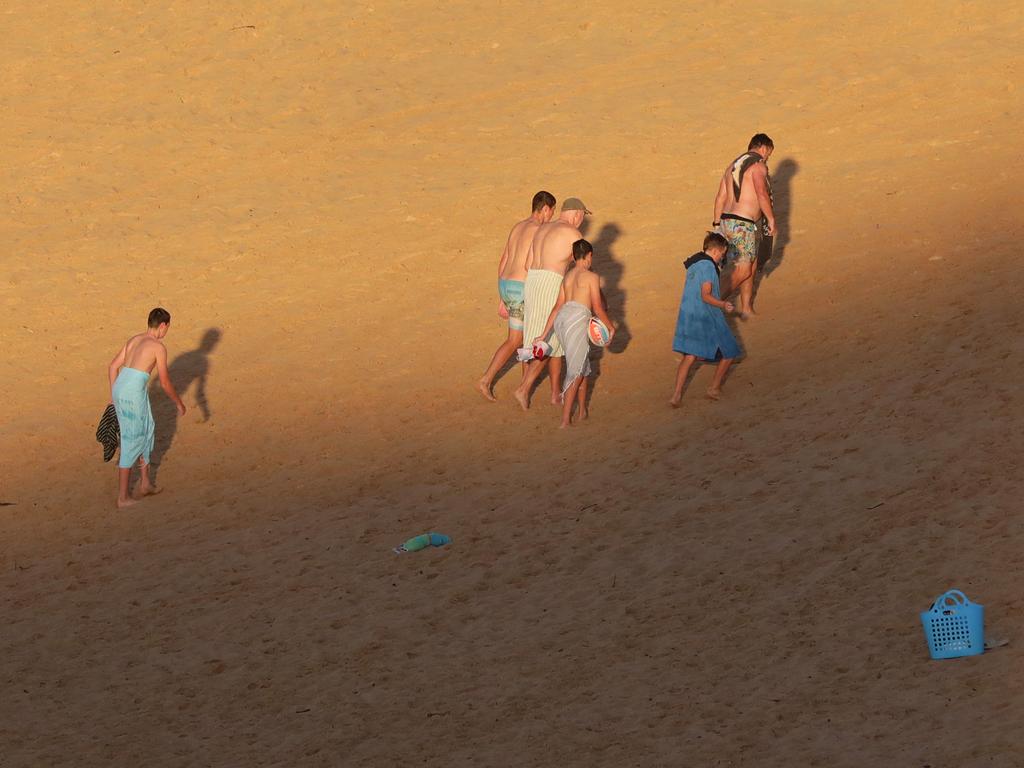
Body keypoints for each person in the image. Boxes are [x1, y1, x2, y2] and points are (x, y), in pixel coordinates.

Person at [476, 191, 556, 401]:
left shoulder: (518, 227)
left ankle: (523, 386)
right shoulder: (539, 230)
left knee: (522, 338)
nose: (551, 217)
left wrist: (501, 295)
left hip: (506, 284)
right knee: (516, 340)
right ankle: (487, 380)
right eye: (551, 212)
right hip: (521, 287)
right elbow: (534, 264)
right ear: (546, 209)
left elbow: (504, 258)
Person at [513, 197, 591, 410]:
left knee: (539, 339)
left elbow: (528, 264)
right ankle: (523, 388)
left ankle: (554, 394)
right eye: (583, 217)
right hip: (551, 282)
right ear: (577, 214)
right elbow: (582, 267)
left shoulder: (543, 228)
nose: (582, 221)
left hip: (533, 282)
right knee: (547, 341)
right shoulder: (573, 234)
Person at [107, 308, 186, 508]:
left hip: (122, 388)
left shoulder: (135, 339)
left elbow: (112, 367)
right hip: (133, 393)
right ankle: (123, 497)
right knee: (132, 438)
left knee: (147, 429)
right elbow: (166, 382)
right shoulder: (158, 347)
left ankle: (145, 483)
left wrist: (113, 395)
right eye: (167, 328)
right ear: (163, 326)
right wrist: (179, 402)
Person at [532, 239, 615, 428]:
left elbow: (557, 307)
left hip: (562, 321)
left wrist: (544, 334)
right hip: (576, 322)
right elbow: (598, 307)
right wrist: (611, 327)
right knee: (576, 371)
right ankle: (565, 420)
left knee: (581, 364)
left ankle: (582, 411)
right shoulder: (591, 277)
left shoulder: (567, 276)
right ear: (589, 256)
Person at [669, 232, 741, 407]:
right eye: (722, 253)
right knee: (730, 351)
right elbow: (706, 295)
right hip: (708, 317)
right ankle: (714, 388)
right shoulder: (708, 267)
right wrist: (724, 304)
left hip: (689, 316)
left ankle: (676, 396)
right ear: (717, 251)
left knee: (690, 356)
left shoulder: (694, 264)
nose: (722, 257)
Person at [713, 133, 776, 319]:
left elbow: (720, 198)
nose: (767, 158)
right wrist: (771, 219)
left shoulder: (732, 167)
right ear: (763, 148)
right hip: (742, 224)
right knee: (743, 270)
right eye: (769, 154)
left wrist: (717, 225)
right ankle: (709, 305)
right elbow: (762, 193)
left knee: (750, 264)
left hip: (727, 221)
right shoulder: (757, 166)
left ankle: (746, 308)